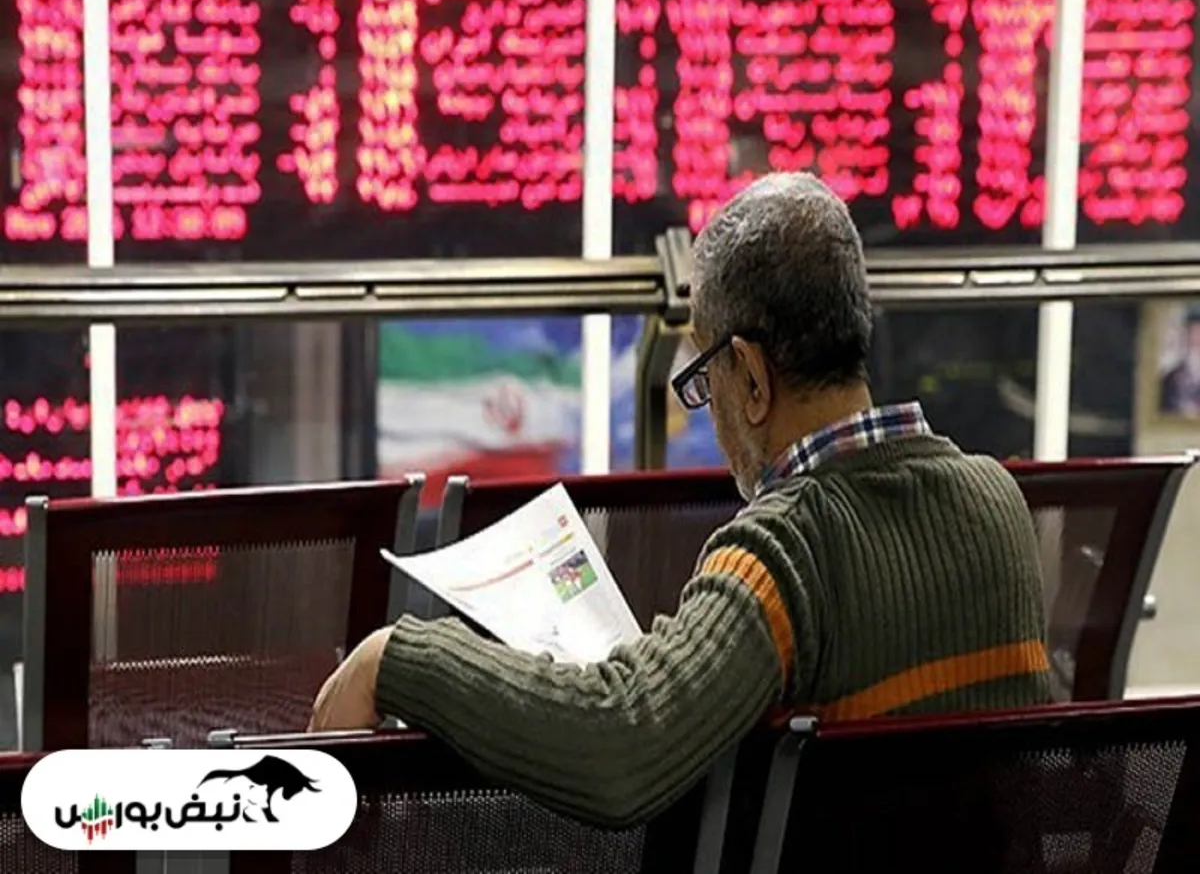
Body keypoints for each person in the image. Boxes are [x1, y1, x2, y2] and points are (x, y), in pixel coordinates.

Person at [309, 173, 1053, 827]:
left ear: (751, 376)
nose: (710, 409)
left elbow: (621, 746)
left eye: (705, 375)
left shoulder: (785, 556)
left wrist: (396, 657)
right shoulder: (997, 501)